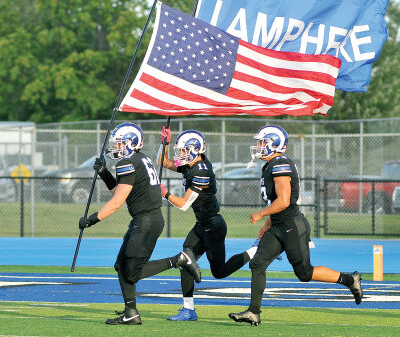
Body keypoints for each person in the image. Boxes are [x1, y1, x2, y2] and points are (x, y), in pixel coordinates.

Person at [228, 125, 363, 326]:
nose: (258, 146)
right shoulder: (271, 164)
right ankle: (253, 312)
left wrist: (261, 214)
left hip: (292, 225)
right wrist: (267, 223)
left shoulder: (281, 163)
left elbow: (283, 201)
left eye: (262, 142)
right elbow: (275, 202)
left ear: (274, 143)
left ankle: (350, 280)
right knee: (257, 263)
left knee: (304, 273)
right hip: (278, 226)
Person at [78, 122, 201, 326]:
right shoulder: (141, 158)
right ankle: (131, 312)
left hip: (146, 221)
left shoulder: (128, 162)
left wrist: (91, 220)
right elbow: (121, 193)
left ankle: (179, 259)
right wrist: (104, 173)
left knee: (132, 273)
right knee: (121, 265)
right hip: (145, 219)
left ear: (130, 143)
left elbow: (117, 202)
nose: (116, 148)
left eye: (119, 143)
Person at [158, 127, 259, 321]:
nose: (181, 154)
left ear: (195, 149)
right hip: (202, 224)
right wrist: (165, 143)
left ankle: (254, 251)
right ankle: (188, 309)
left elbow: (184, 205)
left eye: (184, 150)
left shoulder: (201, 171)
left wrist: (164, 193)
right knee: (184, 258)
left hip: (213, 226)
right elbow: (164, 162)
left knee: (219, 272)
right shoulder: (192, 164)